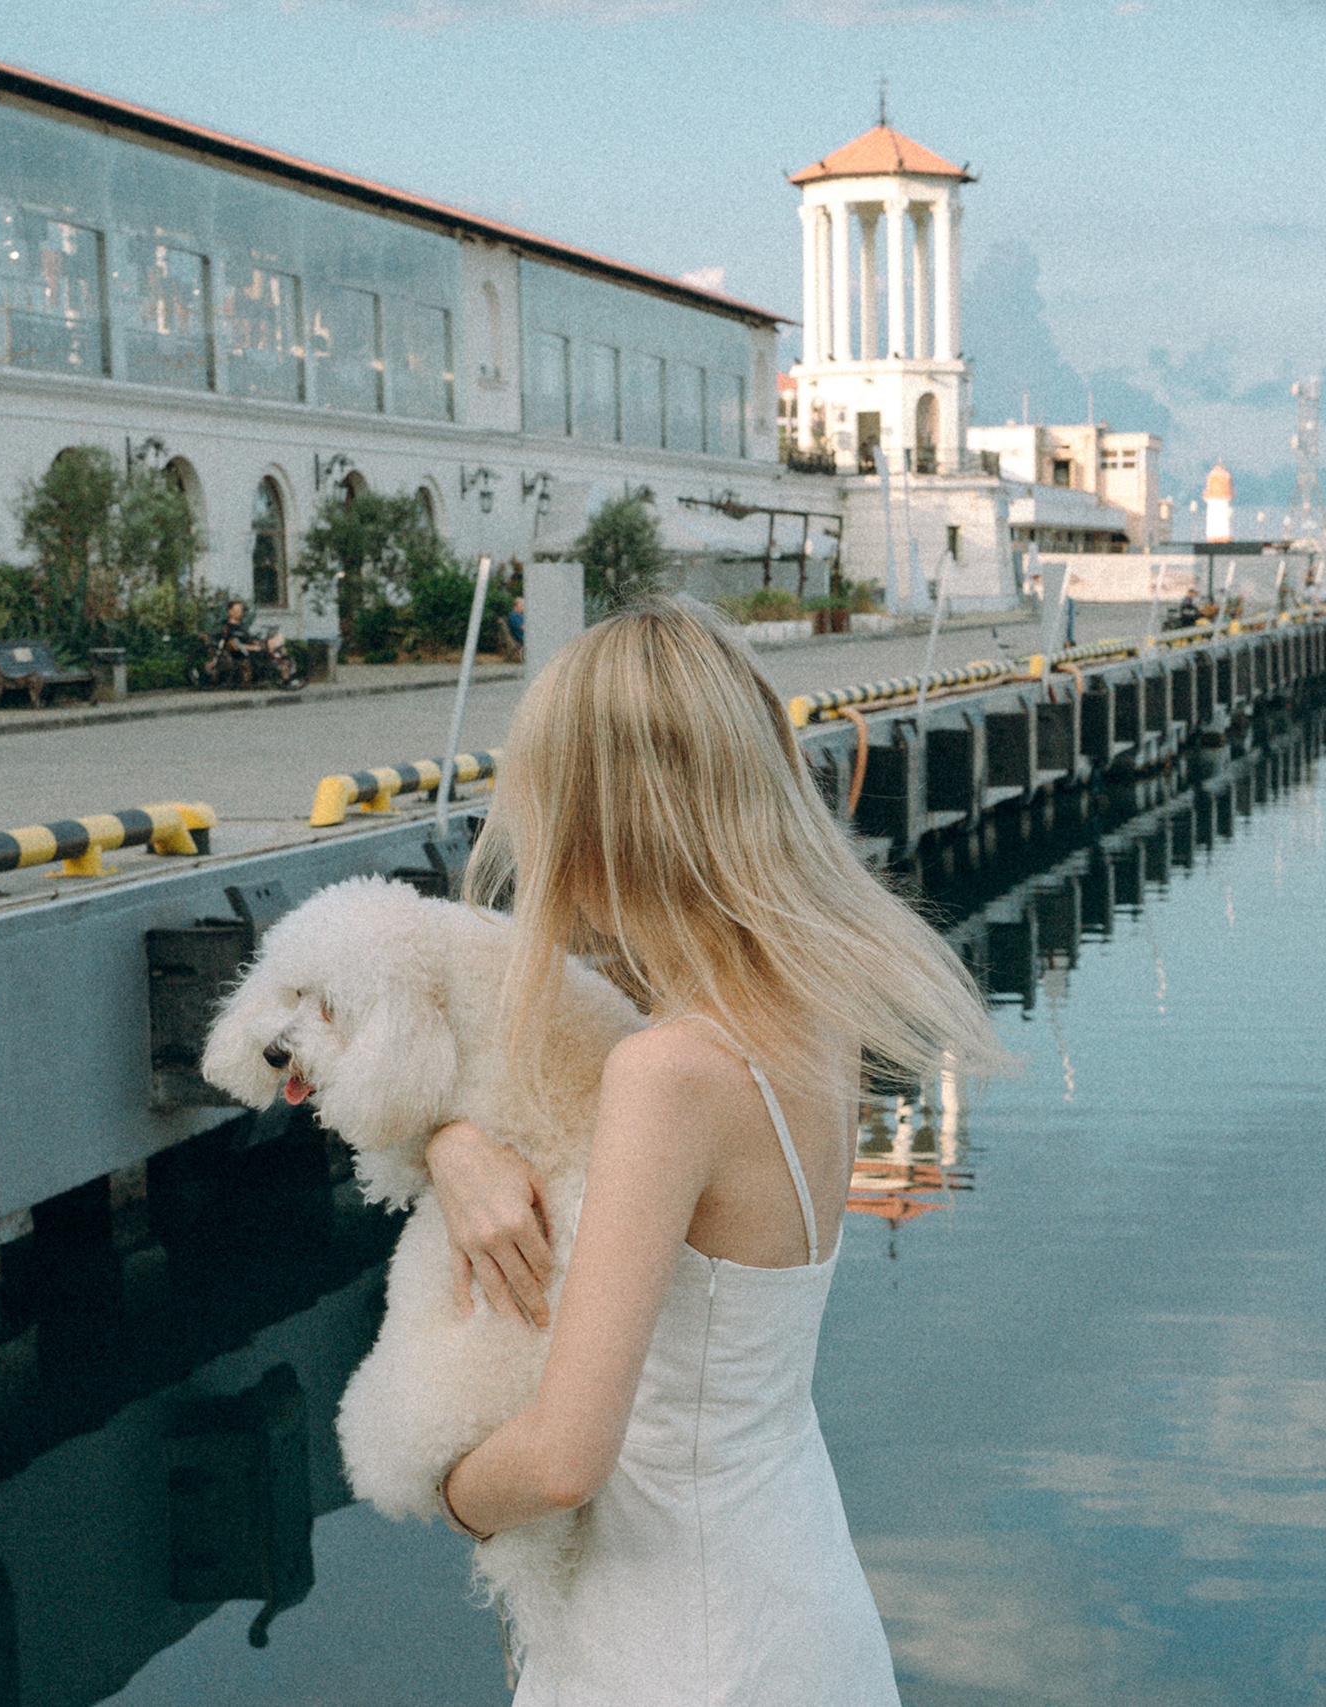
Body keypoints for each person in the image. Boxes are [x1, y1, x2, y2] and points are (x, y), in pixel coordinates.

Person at [425, 597, 1008, 1703]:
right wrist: (452, 1142)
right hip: (794, 1593)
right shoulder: (809, 1018)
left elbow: (563, 1460)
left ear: (597, 827)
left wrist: (437, 1486)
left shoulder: (668, 1074)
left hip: (671, 1640)